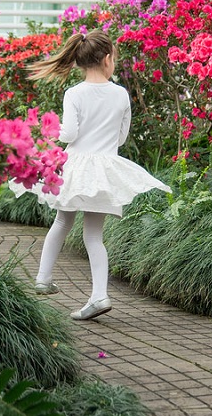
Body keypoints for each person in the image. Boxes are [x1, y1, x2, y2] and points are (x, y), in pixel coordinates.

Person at [12, 29, 171, 320]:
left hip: (75, 166)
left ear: (80, 61)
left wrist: (55, 134)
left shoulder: (74, 93)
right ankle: (99, 295)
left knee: (62, 221)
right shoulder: (120, 94)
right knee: (94, 237)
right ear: (108, 58)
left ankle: (43, 279)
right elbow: (121, 139)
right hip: (103, 169)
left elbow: (70, 133)